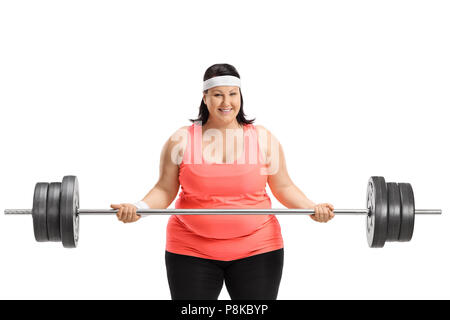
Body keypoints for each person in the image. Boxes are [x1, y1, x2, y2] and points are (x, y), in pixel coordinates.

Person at [110, 63, 334, 300]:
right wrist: (139, 209)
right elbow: (164, 189)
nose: (226, 103)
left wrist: (312, 208)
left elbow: (284, 186)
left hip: (258, 248)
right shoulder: (181, 140)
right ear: (205, 97)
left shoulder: (263, 138)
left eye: (232, 94)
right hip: (190, 250)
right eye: (218, 95)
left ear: (240, 96)